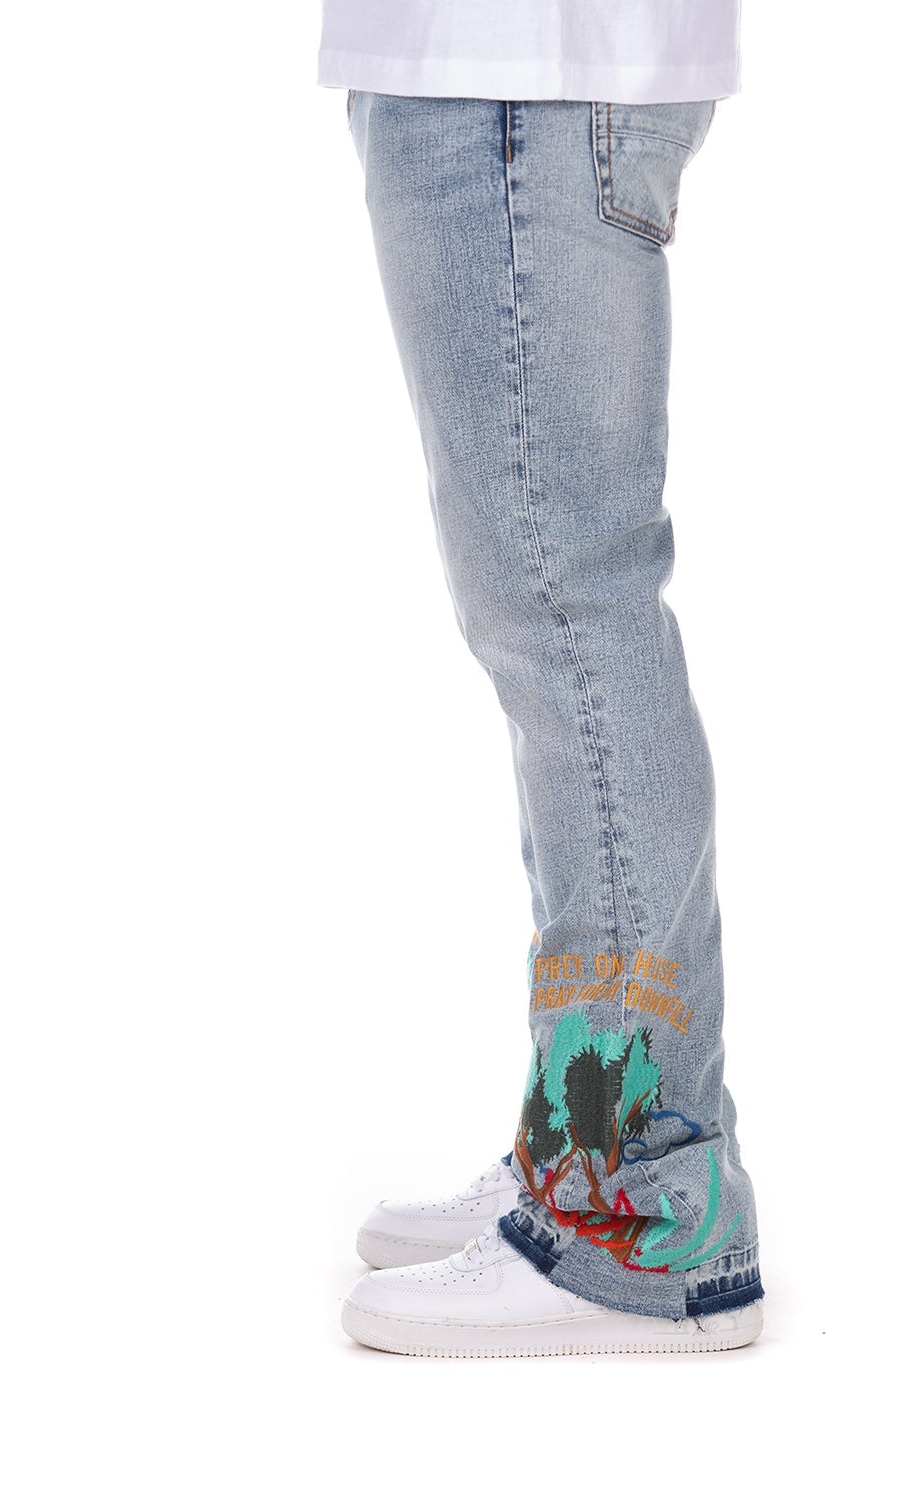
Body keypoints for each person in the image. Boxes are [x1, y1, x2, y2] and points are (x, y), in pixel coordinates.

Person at [321, 1, 763, 1357]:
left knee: (568, 608)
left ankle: (636, 1202)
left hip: (520, 72)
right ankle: (585, 1140)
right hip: (521, 77)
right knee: (554, 613)